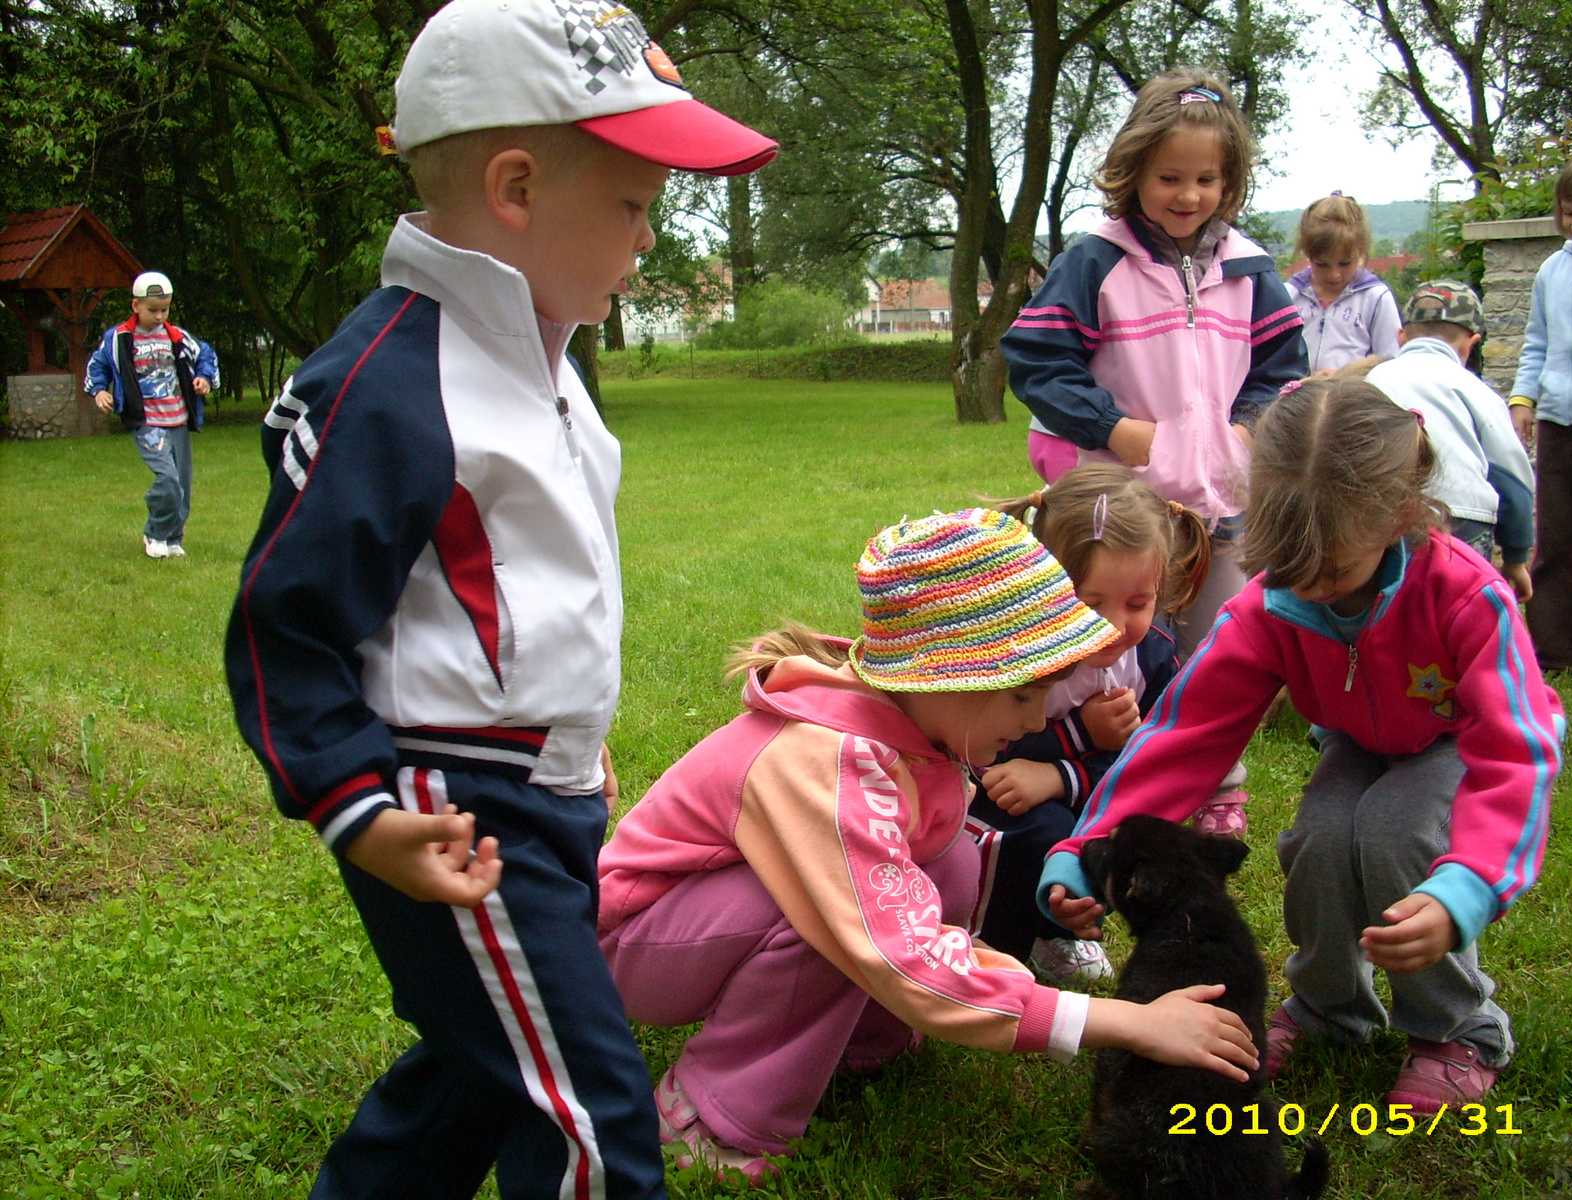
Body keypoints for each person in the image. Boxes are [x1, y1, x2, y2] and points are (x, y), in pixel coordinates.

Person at [223, 2, 778, 1197]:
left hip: (538, 788)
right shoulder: (389, 383)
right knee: (590, 1115)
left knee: (483, 1069)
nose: (644, 243)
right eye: (631, 207)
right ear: (516, 187)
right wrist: (359, 810)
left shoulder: (541, 357)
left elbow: (527, 588)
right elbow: (287, 630)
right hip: (445, 801)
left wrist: (570, 744)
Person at [597, 510, 1260, 1182]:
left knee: (951, 858)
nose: (1037, 719)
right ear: (945, 679)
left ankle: (859, 1044)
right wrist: (1123, 1021)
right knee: (832, 916)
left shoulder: (918, 731)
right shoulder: (824, 761)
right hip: (637, 945)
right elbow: (899, 948)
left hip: (710, 923)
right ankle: (711, 1116)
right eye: (1022, 696)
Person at [1039, 380, 1563, 1115]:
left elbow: (1517, 750)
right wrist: (1087, 845)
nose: (1309, 592)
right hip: (1360, 742)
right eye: (1288, 571)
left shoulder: (1466, 595)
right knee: (1318, 837)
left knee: (1393, 834)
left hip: (1454, 743)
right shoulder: (1275, 602)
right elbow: (1185, 736)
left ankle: (1457, 1028)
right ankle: (1329, 1009)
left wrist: (1469, 885)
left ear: (1402, 515)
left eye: (1334, 573)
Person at [1003, 67, 1307, 665]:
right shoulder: (1095, 261)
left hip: (1220, 508)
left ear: (1229, 180)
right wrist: (1112, 427)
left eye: (1206, 179)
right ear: (1134, 169)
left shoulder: (1252, 271)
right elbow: (1037, 359)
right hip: (1118, 512)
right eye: (1169, 178)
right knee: (1110, 659)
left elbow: (1282, 371)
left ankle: (1211, 759)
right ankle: (1095, 755)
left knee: (1215, 657)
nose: (1188, 196)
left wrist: (1247, 429)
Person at [966, 464, 1239, 984]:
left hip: (1086, 796)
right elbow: (980, 746)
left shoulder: (1153, 658)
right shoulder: (1020, 650)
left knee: (1120, 838)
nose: (1116, 626)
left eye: (1139, 603)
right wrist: (1078, 736)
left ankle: (1061, 934)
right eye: (1091, 604)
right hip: (990, 802)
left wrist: (1064, 775)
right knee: (1041, 834)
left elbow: (1155, 758)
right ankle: (995, 947)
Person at [1366, 280, 1533, 597]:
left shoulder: (1373, 381)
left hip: (1386, 521)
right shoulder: (1476, 390)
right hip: (1463, 520)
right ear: (1471, 344)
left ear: (1401, 338)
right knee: (1462, 608)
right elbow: (1513, 480)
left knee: (1398, 612)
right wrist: (1515, 557)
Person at [1510, 143, 1572, 676]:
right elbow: (1536, 342)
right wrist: (1525, 399)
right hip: (1558, 423)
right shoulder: (1550, 269)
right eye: (1569, 213)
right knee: (1557, 541)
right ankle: (1555, 653)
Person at [84, 270, 218, 559]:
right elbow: (98, 366)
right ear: (135, 306)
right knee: (168, 480)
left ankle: (173, 538)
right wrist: (99, 391)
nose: (159, 316)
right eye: (152, 310)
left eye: (164, 310)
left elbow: (205, 354)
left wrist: (205, 378)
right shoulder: (118, 338)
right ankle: (154, 532)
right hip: (147, 423)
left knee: (182, 486)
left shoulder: (177, 337)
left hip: (178, 420)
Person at [1285, 193, 1404, 373]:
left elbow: (1391, 364)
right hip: (1299, 396)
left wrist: (1347, 378)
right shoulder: (1289, 295)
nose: (1334, 275)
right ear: (1307, 255)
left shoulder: (1375, 297)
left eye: (1345, 263)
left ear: (1361, 252)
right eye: (1322, 264)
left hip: (1352, 397)